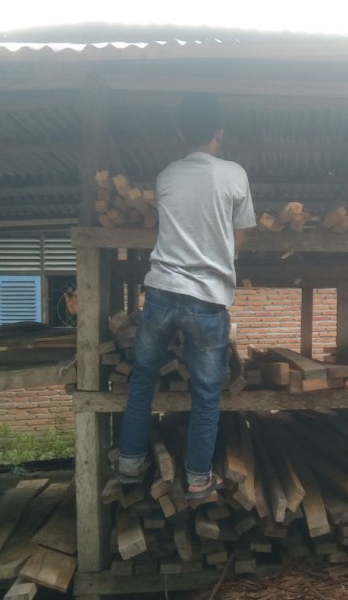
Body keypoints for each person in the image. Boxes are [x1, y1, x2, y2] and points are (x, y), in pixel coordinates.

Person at [115, 94, 256, 499]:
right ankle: (197, 480)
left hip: (162, 291)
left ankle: (129, 465)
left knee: (142, 379)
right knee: (206, 393)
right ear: (220, 134)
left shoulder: (167, 176)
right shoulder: (235, 174)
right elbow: (239, 237)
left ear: (180, 134)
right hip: (208, 298)